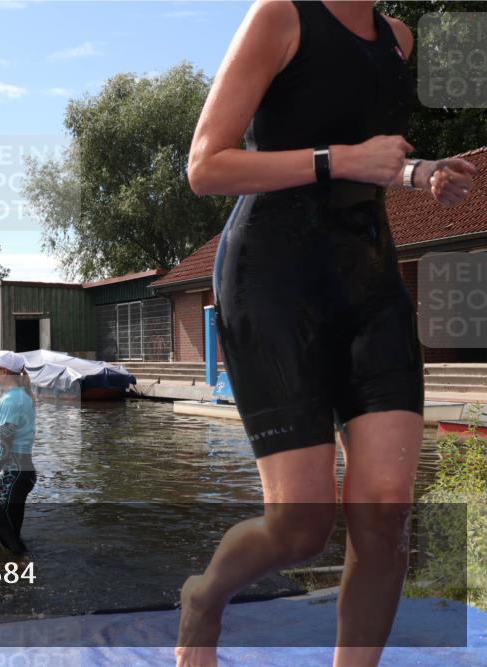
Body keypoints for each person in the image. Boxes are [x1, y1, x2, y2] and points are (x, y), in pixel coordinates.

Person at [176, 2, 477, 666]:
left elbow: (372, 155)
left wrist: (417, 172)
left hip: (369, 280)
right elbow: (206, 165)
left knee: (384, 511)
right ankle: (204, 595)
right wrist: (340, 159)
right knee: (301, 525)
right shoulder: (280, 17)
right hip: (273, 281)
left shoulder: (399, 38)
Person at [0, 350, 37, 556]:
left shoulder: (12, 400)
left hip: (15, 473)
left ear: (3, 371)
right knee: (11, 536)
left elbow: (5, 443)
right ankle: (16, 580)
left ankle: (23, 577)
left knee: (8, 538)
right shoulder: (16, 397)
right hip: (18, 472)